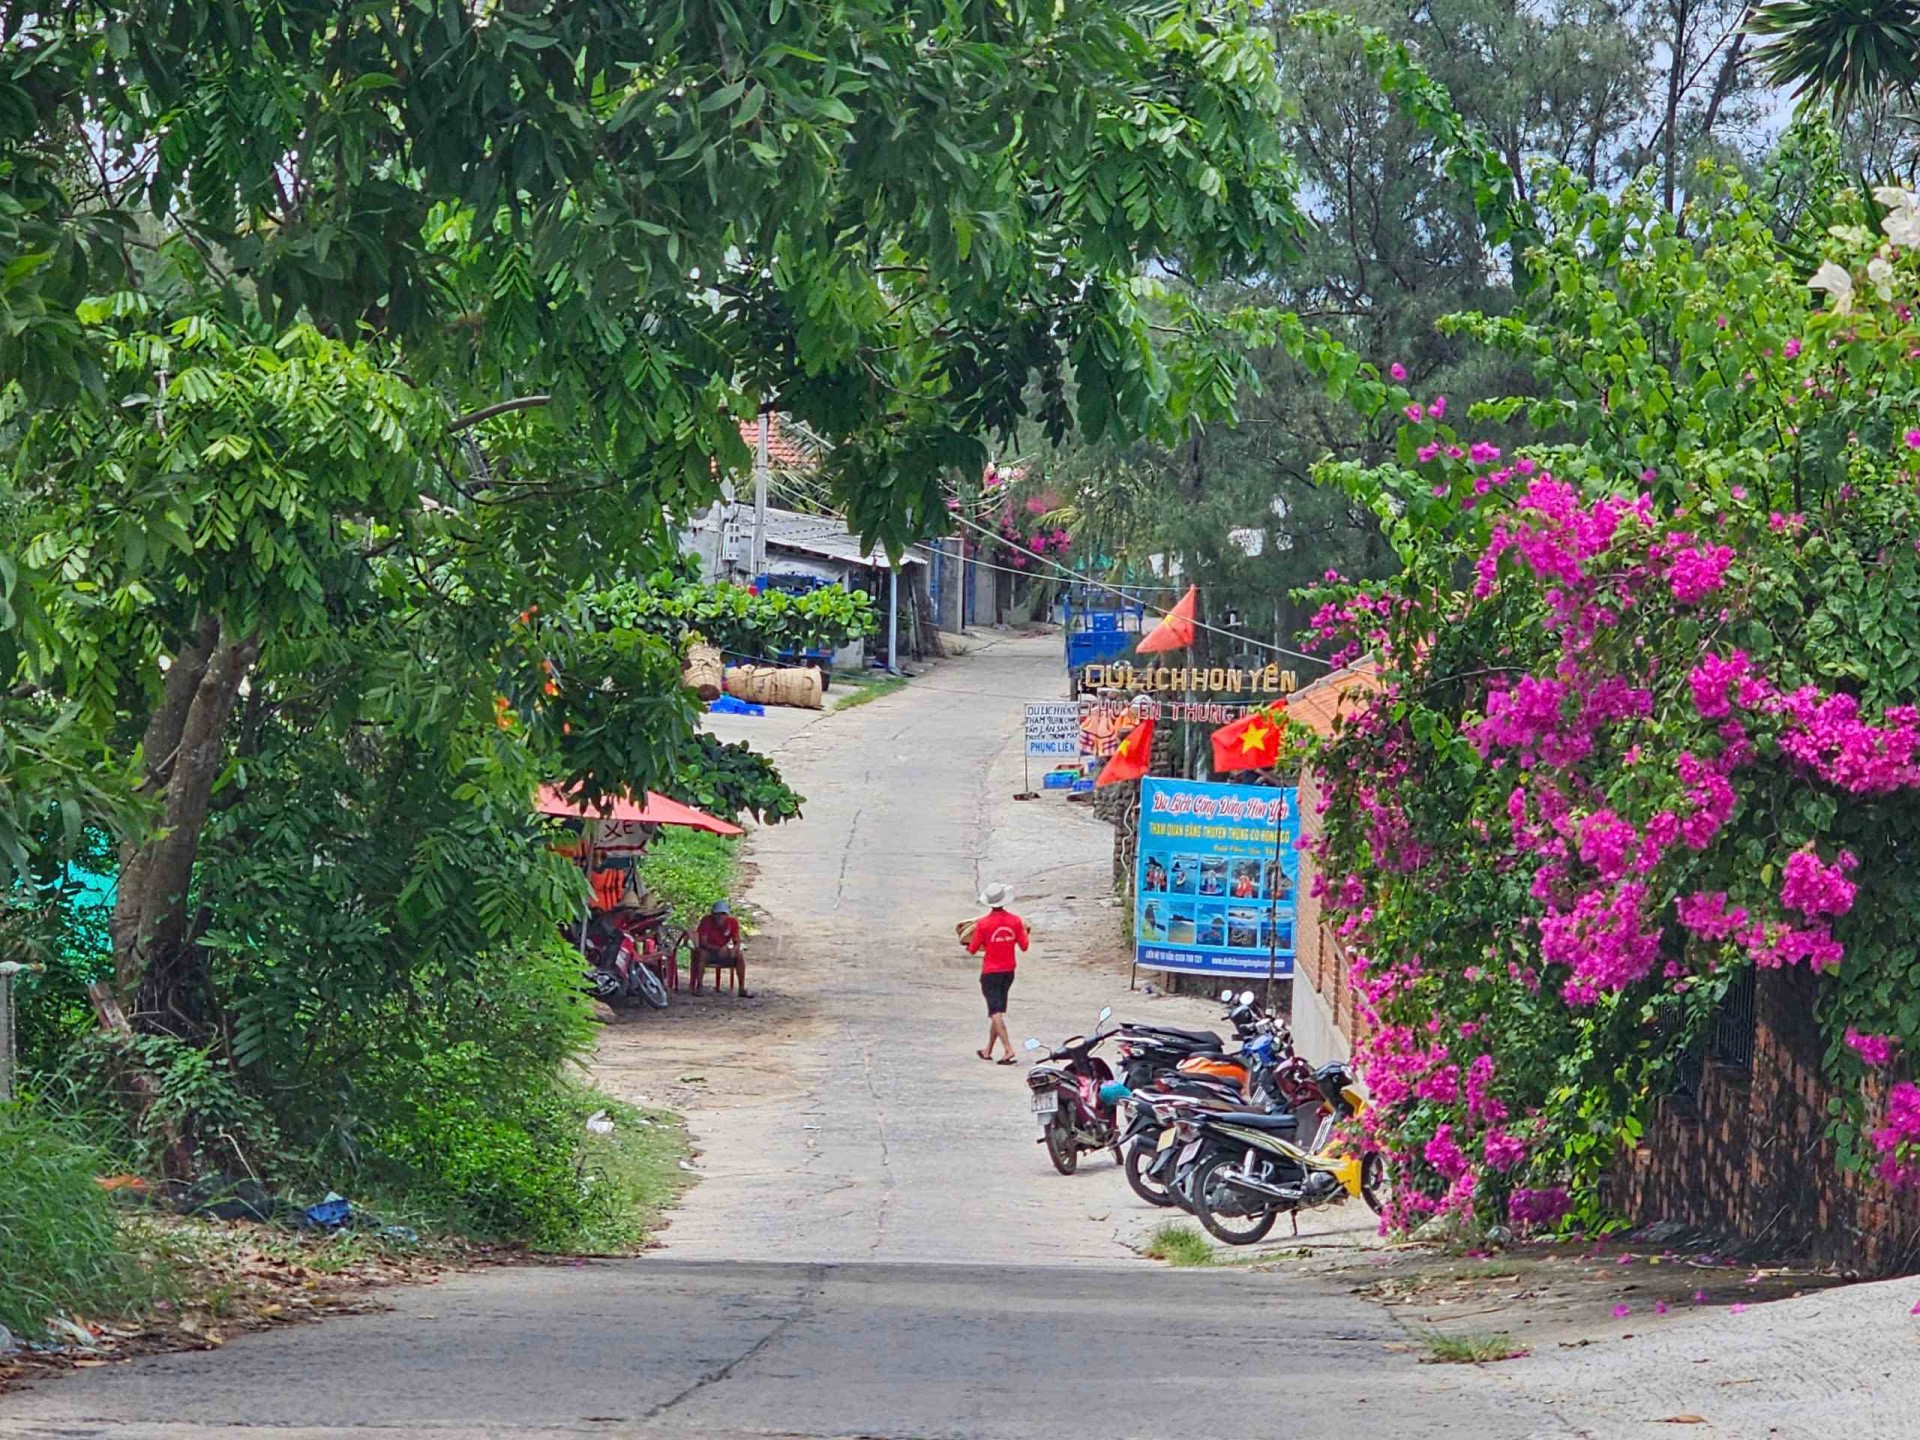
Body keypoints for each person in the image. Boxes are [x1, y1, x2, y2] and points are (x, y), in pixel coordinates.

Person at [967, 882, 1028, 1064]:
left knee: (995, 1011)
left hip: (990, 972)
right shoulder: (1016, 921)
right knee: (998, 1010)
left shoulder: (983, 924)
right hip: (1009, 971)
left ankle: (1008, 1049)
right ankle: (988, 1050)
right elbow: (1024, 946)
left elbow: (972, 949)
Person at [691, 899, 750, 997]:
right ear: (713, 914)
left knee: (739, 956)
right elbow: (703, 942)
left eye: (723, 914)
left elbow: (736, 941)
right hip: (709, 951)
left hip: (724, 950)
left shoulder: (732, 922)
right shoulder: (706, 921)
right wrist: (717, 949)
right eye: (717, 914)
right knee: (701, 955)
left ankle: (741, 988)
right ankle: (699, 985)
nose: (720, 917)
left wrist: (733, 949)